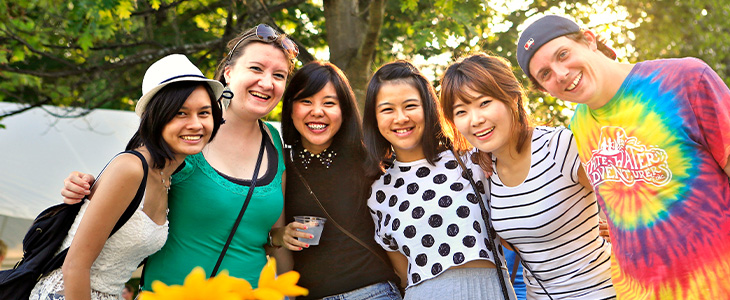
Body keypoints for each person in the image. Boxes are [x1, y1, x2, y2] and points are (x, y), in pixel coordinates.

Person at [60, 24, 298, 289]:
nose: (267, 82)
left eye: (279, 75)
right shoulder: (186, 135)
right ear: (228, 73)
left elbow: (272, 234)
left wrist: (290, 278)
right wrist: (82, 186)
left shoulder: (275, 143)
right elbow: (129, 182)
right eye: (256, 68)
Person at [516, 14, 730, 299]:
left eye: (563, 54)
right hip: (636, 292)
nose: (561, 73)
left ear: (589, 41)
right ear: (544, 89)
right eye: (545, 74)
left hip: (716, 284)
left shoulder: (685, 79)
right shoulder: (578, 125)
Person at [30, 54, 224, 300]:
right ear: (155, 118)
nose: (196, 124)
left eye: (204, 113)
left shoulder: (168, 176)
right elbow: (75, 266)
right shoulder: (131, 169)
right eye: (180, 113)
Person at [440, 53, 615, 299]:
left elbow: (628, 201)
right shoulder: (482, 170)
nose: (476, 120)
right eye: (461, 111)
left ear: (512, 98)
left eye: (484, 103)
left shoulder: (559, 146)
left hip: (601, 292)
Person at [362, 60, 516, 300]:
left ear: (429, 107)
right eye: (387, 109)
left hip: (490, 290)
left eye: (410, 105)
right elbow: (404, 276)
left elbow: (514, 233)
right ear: (374, 118)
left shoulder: (473, 159)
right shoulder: (379, 193)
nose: (400, 118)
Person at [270, 61, 401, 299]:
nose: (317, 111)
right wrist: (279, 236)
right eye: (306, 101)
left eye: (329, 103)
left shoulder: (370, 159)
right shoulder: (279, 167)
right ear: (290, 108)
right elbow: (261, 239)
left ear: (344, 111)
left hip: (372, 292)